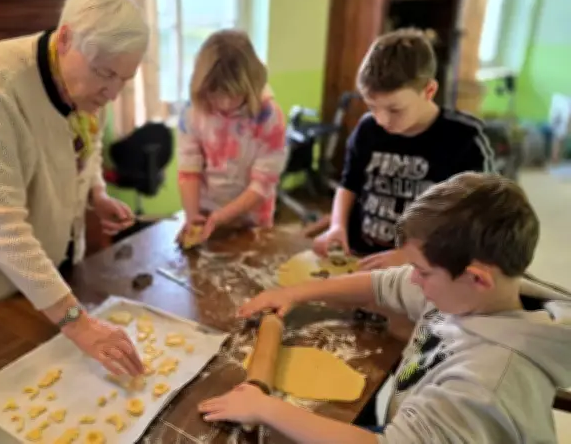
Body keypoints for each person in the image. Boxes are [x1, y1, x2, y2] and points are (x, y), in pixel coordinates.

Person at [199, 172, 571, 443]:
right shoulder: (471, 294)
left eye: (422, 272)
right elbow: (382, 283)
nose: (411, 281)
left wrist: (266, 409)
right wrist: (297, 294)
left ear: (478, 278)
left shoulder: (487, 383)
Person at [0, 0, 146, 377]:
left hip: (44, 238)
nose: (113, 93)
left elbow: (87, 144)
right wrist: (78, 321)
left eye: (125, 79)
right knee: (0, 364)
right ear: (66, 38)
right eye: (106, 74)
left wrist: (96, 193)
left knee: (52, 361)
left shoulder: (87, 82)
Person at [313, 28, 496, 270]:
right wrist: (338, 225)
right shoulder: (367, 129)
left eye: (395, 109)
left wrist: (414, 255)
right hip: (362, 255)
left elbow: (475, 219)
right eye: (371, 106)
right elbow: (349, 184)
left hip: (426, 268)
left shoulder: (464, 139)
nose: (381, 120)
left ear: (429, 91)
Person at [176, 29, 287, 242]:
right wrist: (192, 216)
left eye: (235, 94)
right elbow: (189, 168)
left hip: (252, 220)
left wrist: (222, 217)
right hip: (205, 212)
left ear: (251, 85)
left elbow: (262, 184)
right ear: (203, 87)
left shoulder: (268, 116)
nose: (225, 104)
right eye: (216, 94)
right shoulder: (192, 112)